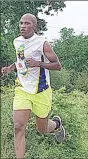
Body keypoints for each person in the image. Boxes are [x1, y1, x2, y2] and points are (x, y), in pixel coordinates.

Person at [0, 13, 65, 158]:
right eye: (21, 23)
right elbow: (20, 61)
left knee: (42, 129)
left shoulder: (42, 43)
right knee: (18, 127)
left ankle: (56, 124)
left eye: (27, 24)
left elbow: (57, 66)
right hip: (22, 88)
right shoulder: (17, 41)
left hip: (40, 90)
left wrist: (38, 64)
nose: (23, 26)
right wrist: (10, 68)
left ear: (34, 26)